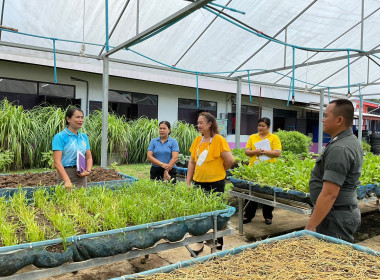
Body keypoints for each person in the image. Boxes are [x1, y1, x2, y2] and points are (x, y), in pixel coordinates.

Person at [305, 99, 363, 243]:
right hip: (337, 214)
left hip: (334, 217)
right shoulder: (348, 140)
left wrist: (310, 227)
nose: (322, 120)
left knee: (332, 261)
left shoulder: (340, 148)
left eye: (325, 116)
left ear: (339, 120)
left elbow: (330, 194)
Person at [186, 112, 235, 254]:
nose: (198, 125)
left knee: (216, 215)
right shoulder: (197, 140)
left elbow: (230, 160)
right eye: (198, 122)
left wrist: (220, 171)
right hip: (198, 183)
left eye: (201, 123)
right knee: (199, 214)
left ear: (209, 124)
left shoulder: (219, 140)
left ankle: (217, 245)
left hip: (216, 184)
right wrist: (188, 182)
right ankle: (199, 243)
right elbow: (192, 161)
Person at [243, 117, 282, 225]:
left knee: (268, 193)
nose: (260, 128)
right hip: (253, 169)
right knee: (251, 193)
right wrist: (255, 151)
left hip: (268, 170)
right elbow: (247, 151)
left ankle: (268, 216)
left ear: (268, 127)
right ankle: (248, 216)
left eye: (263, 126)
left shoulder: (274, 138)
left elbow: (278, 153)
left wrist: (265, 152)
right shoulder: (252, 137)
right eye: (259, 125)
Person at [52, 108, 93, 189]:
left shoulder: (84, 137)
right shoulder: (60, 137)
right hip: (65, 174)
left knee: (81, 200)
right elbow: (57, 162)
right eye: (77, 117)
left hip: (81, 175)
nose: (81, 120)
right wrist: (67, 181)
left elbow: (89, 157)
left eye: (82, 117)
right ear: (68, 119)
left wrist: (87, 171)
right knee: (66, 200)